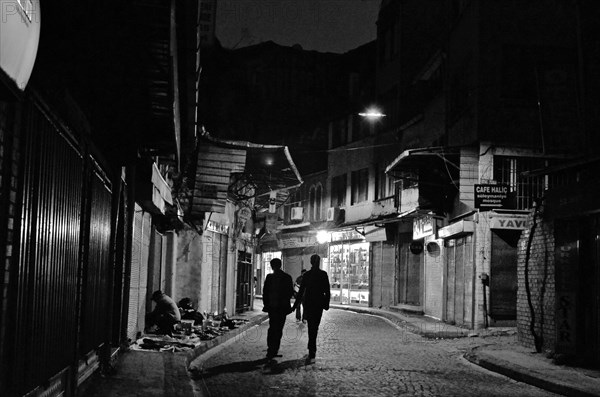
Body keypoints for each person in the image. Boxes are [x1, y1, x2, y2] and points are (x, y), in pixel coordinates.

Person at [292, 254, 330, 360]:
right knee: (315, 326)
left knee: (311, 326)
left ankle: (311, 347)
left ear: (311, 262)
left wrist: (295, 305)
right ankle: (312, 347)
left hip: (309, 303)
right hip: (318, 304)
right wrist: (326, 304)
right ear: (319, 262)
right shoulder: (323, 274)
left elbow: (301, 292)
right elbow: (327, 291)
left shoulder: (307, 275)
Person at [262, 258, 295, 360]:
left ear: (272, 266)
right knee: (279, 328)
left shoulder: (269, 277)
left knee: (272, 327)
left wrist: (266, 304)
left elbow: (265, 292)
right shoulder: (287, 277)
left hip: (273, 307)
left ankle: (270, 349)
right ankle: (275, 349)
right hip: (282, 307)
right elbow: (290, 292)